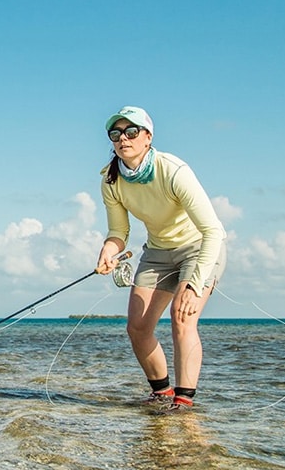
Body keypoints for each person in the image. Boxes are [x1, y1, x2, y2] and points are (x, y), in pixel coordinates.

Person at [94, 106, 226, 411]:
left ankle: (184, 401)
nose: (123, 138)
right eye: (116, 134)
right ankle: (162, 393)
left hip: (199, 247)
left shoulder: (174, 170)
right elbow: (118, 231)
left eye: (131, 132)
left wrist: (194, 284)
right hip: (157, 252)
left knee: (182, 316)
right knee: (137, 327)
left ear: (147, 137)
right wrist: (109, 250)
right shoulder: (111, 180)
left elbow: (212, 231)